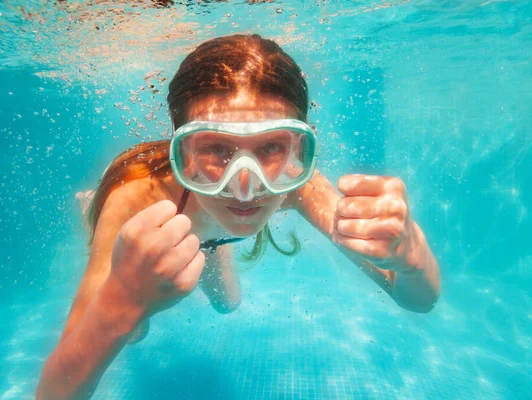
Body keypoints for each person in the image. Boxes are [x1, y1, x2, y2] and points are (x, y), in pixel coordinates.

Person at [36, 34, 440, 400]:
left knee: (229, 303)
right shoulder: (138, 197)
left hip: (205, 226)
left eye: (270, 149)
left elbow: (418, 300)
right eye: (217, 150)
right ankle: (88, 204)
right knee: (135, 332)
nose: (246, 187)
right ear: (181, 152)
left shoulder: (297, 183)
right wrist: (122, 299)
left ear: (298, 147)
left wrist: (412, 257)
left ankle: (205, 241)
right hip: (164, 222)